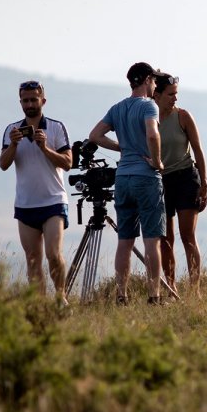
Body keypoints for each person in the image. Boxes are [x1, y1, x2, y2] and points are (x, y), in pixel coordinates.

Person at [88, 62, 167, 305]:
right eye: (153, 80)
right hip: (145, 177)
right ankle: (154, 295)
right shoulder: (148, 105)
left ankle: (122, 295)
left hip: (123, 177)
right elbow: (153, 134)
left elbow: (95, 136)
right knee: (151, 239)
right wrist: (157, 162)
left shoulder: (117, 108)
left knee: (125, 240)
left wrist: (121, 147)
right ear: (146, 80)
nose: (154, 85)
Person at [0, 80, 72, 303]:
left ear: (43, 101)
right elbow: (3, 164)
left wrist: (45, 147)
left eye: (33, 99)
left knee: (53, 254)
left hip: (53, 202)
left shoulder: (56, 127)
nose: (29, 104)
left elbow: (68, 162)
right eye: (25, 100)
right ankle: (39, 306)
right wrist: (13, 145)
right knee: (32, 259)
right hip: (26, 204)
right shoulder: (12, 131)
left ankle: (60, 297)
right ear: (20, 102)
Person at [152, 73, 207, 290]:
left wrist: (204, 183)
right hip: (161, 182)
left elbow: (198, 150)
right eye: (171, 94)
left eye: (176, 94)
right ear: (156, 95)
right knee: (166, 240)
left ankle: (195, 289)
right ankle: (171, 288)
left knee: (188, 237)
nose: (175, 98)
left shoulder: (183, 117)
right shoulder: (150, 120)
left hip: (185, 178)